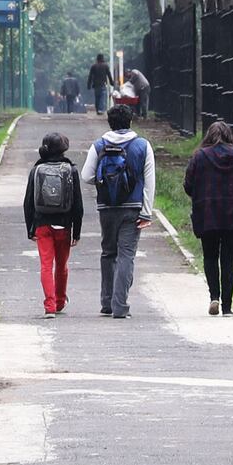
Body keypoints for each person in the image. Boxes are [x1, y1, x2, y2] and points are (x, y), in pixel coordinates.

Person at [81, 104, 156, 318]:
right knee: (126, 255)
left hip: (107, 207)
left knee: (108, 253)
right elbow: (149, 182)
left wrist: (105, 181)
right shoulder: (142, 145)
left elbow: (86, 176)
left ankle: (106, 302)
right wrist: (146, 212)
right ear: (130, 121)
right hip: (132, 208)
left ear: (110, 122)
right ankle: (120, 305)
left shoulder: (99, 145)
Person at [183, 121, 233, 316]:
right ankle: (227, 307)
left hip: (206, 213)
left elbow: (188, 184)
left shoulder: (200, 156)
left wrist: (201, 196)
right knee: (228, 259)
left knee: (210, 257)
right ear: (229, 135)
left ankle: (214, 297)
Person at [24, 132, 84, 318]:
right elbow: (78, 204)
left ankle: (49, 306)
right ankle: (59, 301)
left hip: (42, 225)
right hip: (64, 225)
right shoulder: (70, 170)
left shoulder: (36, 170)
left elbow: (28, 202)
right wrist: (77, 231)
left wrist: (30, 228)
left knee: (45, 265)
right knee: (62, 265)